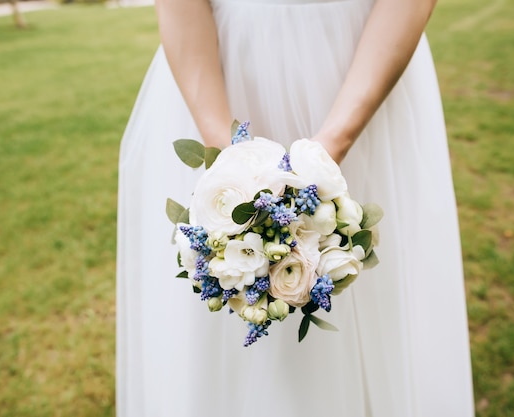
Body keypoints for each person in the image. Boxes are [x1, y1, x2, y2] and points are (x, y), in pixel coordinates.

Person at [117, 0, 475, 415]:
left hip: (365, 59)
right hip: (227, 69)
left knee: (376, 287)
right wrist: (235, 165)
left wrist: (328, 149)